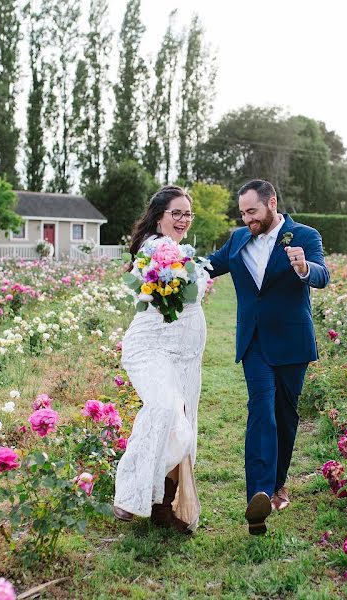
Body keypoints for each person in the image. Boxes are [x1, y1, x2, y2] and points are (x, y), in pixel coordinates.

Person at [206, 179, 330, 535]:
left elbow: (323, 274)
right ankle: (257, 496)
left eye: (253, 211)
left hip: (292, 340)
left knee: (285, 415)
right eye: (243, 213)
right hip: (255, 341)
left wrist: (304, 268)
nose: (247, 219)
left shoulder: (304, 235)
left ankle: (277, 485)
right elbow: (209, 266)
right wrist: (163, 265)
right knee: (261, 407)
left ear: (272, 202)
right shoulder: (238, 238)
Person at [112, 185, 208, 534]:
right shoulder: (155, 249)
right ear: (159, 216)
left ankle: (165, 506)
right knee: (165, 409)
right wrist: (191, 273)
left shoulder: (180, 251)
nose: (183, 220)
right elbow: (175, 282)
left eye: (187, 214)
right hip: (151, 348)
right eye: (176, 213)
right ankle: (130, 492)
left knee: (182, 422)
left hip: (184, 355)